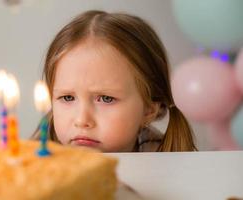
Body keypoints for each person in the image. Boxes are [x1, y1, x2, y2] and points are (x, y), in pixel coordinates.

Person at [33, 10, 197, 152]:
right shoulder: (33, 163)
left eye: (106, 98)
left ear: (149, 109)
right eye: (67, 98)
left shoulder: (171, 169)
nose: (82, 120)